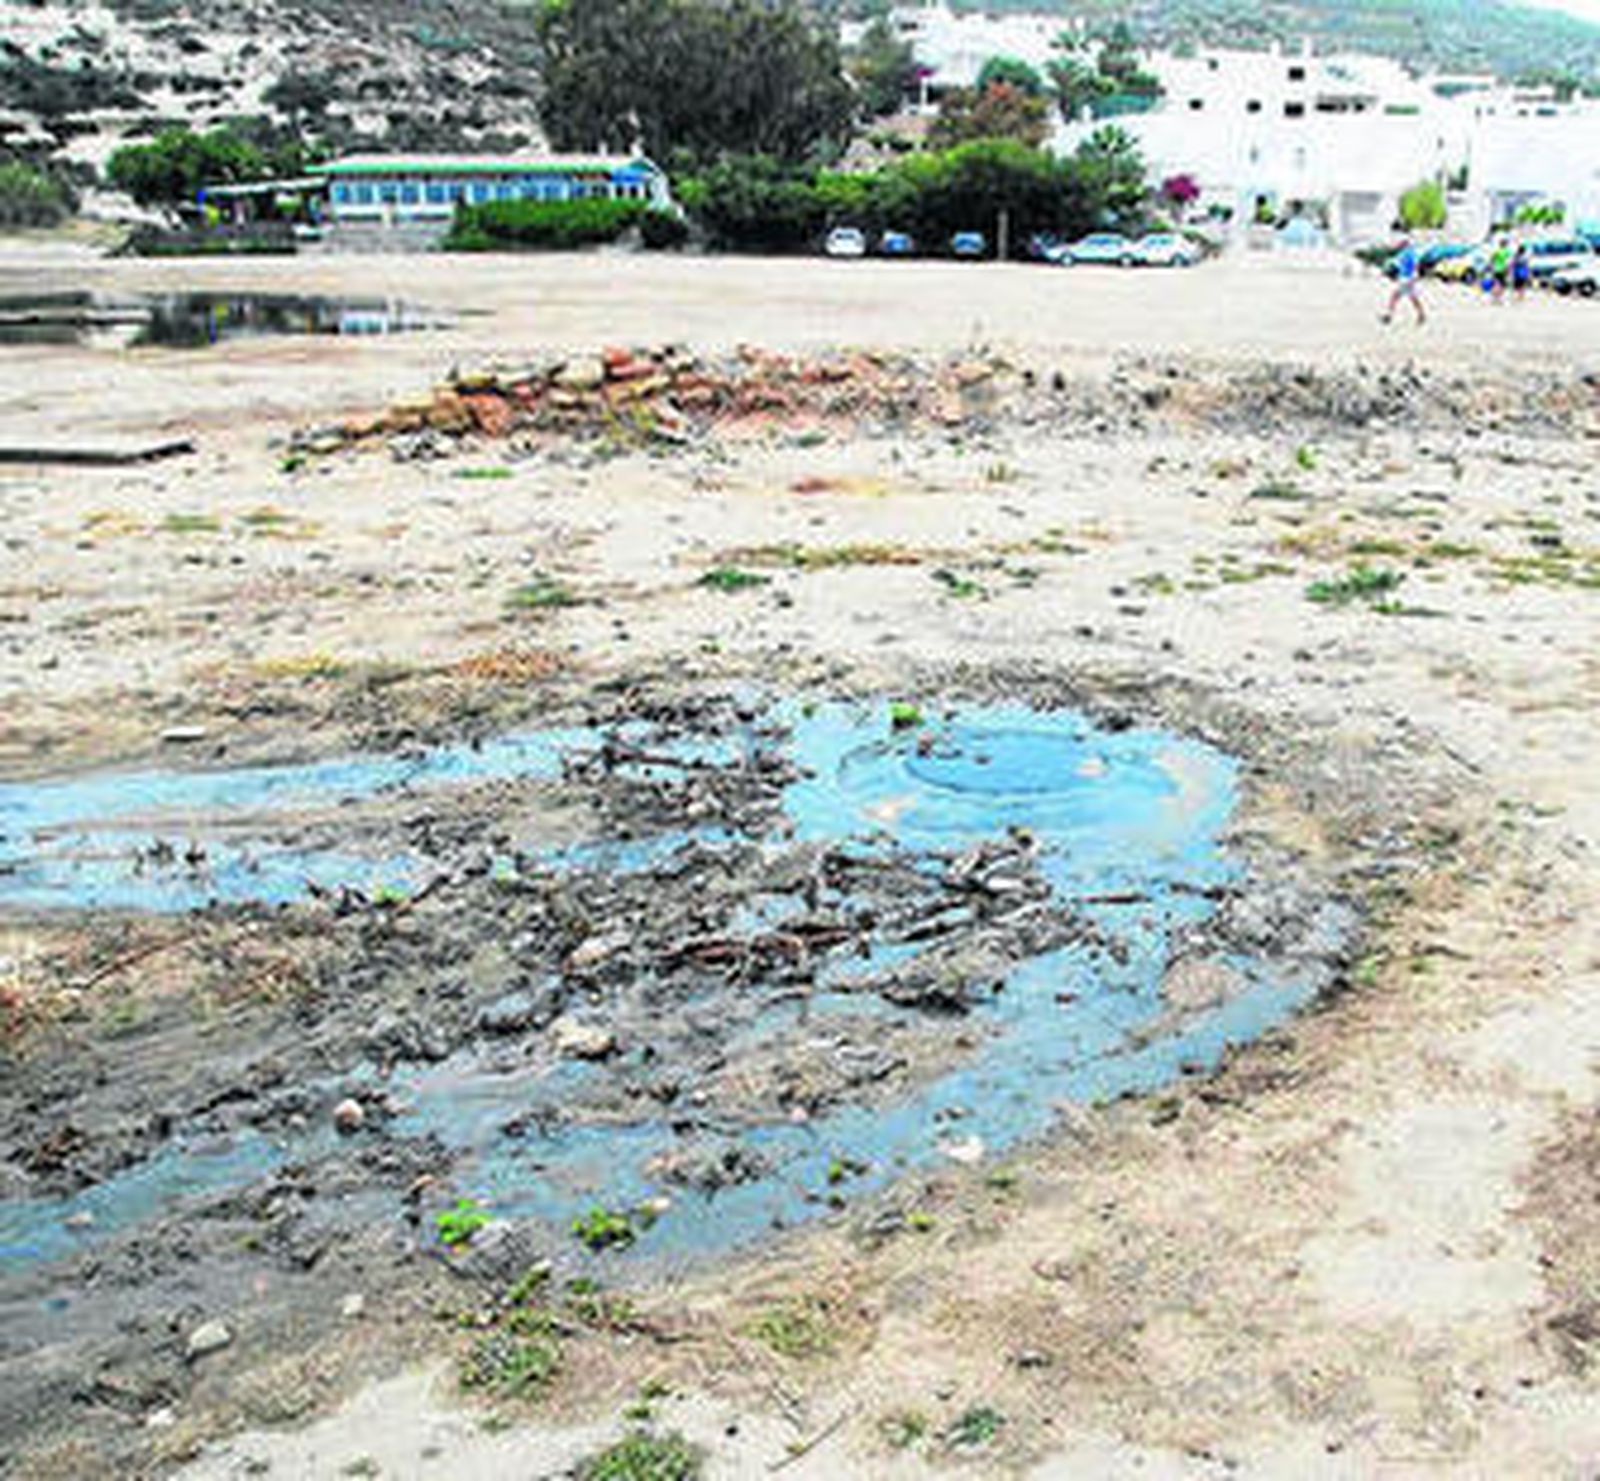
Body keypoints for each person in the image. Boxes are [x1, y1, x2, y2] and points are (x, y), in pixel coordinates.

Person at [1381, 235, 1427, 326]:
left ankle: (1388, 316)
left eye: (1401, 243)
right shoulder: (1411, 253)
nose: (1399, 245)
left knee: (1395, 296)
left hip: (1406, 278)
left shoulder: (1405, 254)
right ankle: (1421, 315)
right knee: (1412, 298)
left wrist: (1389, 271)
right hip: (1409, 278)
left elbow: (1397, 264)